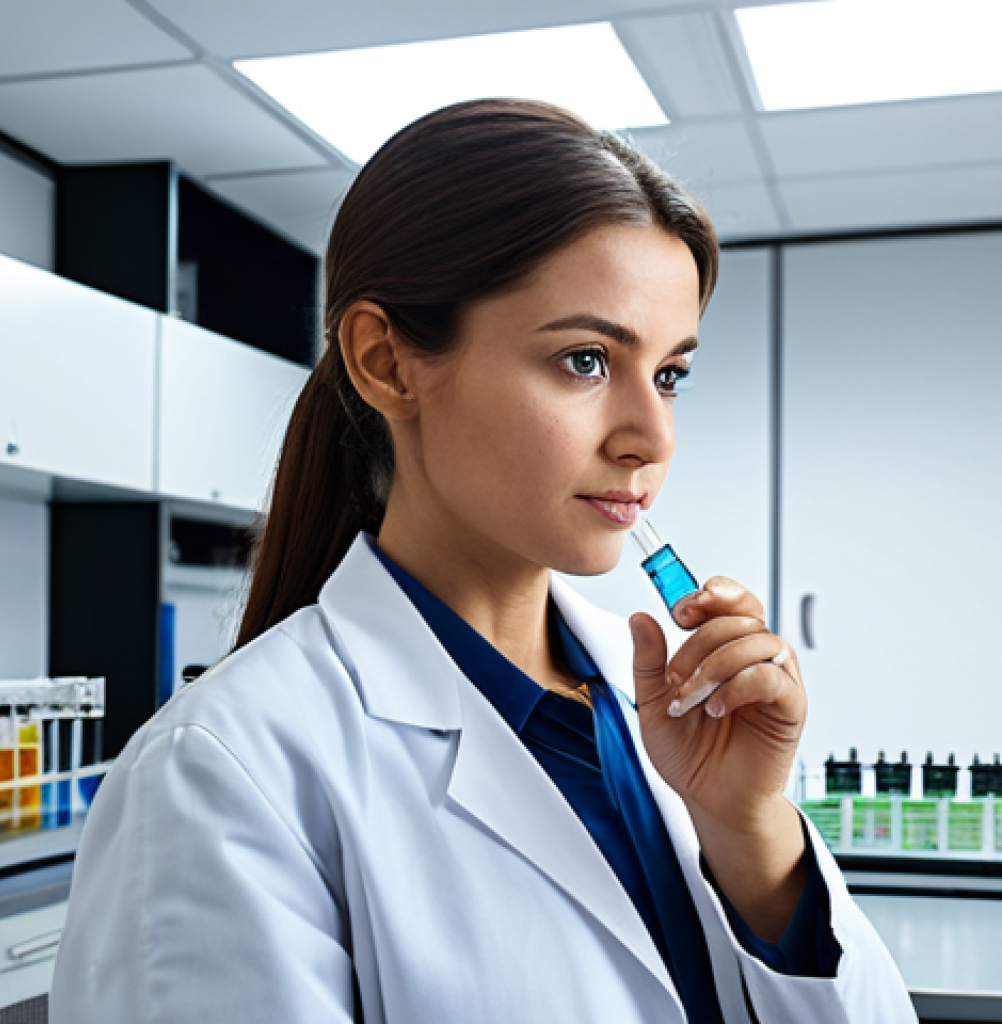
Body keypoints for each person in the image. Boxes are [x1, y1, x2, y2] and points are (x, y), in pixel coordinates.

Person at [50, 100, 915, 1023]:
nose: (650, 437)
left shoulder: (655, 708)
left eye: (670, 375)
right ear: (387, 362)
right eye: (585, 359)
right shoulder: (222, 774)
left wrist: (753, 840)